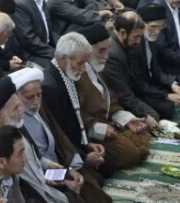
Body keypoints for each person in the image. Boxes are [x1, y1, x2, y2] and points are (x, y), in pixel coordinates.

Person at [10, 66, 113, 203]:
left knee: (101, 172)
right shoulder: (16, 122)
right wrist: (64, 180)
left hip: (57, 166)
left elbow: (60, 137)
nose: (36, 101)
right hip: (43, 176)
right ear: (16, 97)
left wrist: (70, 168)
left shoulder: (40, 108)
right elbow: (34, 168)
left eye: (39, 95)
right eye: (29, 97)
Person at [0, 77, 80, 203]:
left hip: (48, 190)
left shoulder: (14, 123)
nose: (21, 111)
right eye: (16, 108)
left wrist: (58, 171)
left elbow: (35, 160)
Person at [75, 24, 151, 170]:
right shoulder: (76, 73)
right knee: (131, 155)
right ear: (86, 51)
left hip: (107, 122)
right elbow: (76, 113)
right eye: (101, 50)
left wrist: (126, 119)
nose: (106, 56)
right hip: (91, 130)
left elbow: (109, 99)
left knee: (142, 133)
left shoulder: (95, 67)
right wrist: (99, 128)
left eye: (107, 49)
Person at [130, 5, 180, 120]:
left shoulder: (152, 40)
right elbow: (138, 84)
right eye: (153, 27)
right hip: (138, 90)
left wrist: (172, 84)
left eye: (160, 27)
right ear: (142, 25)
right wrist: (166, 95)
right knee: (167, 108)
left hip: (150, 84)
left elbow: (155, 69)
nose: (156, 31)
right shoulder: (134, 45)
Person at [12, 0, 55, 67]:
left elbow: (48, 29)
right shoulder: (20, 3)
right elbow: (28, 39)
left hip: (45, 47)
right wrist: (54, 53)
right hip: (31, 54)